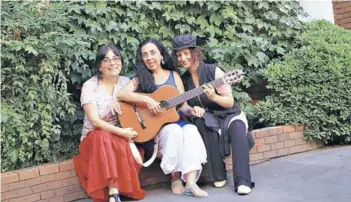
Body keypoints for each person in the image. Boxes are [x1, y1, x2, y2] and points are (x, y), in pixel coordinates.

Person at [117, 38, 208, 198]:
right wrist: (148, 100)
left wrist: (192, 110)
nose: (149, 58)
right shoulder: (141, 77)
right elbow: (122, 94)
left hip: (176, 120)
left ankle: (191, 182)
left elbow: (183, 106)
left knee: (192, 130)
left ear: (161, 55)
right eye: (145, 55)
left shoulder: (174, 75)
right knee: (174, 131)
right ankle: (175, 177)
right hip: (154, 130)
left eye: (152, 53)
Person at [172, 34, 255, 195]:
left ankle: (243, 182)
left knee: (238, 130)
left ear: (195, 53)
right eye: (179, 55)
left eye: (186, 53)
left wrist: (214, 97)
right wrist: (192, 110)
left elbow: (229, 102)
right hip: (210, 118)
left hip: (229, 114)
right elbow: (183, 107)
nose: (182, 58)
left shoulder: (214, 71)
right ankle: (218, 174)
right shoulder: (183, 80)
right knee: (201, 122)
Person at [73, 44, 145, 202]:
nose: (113, 63)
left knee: (116, 141)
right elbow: (95, 121)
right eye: (106, 60)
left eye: (116, 58)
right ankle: (113, 191)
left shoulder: (126, 82)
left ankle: (116, 191)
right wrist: (122, 132)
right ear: (99, 66)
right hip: (94, 139)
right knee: (102, 136)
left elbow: (138, 108)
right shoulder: (90, 86)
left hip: (120, 137)